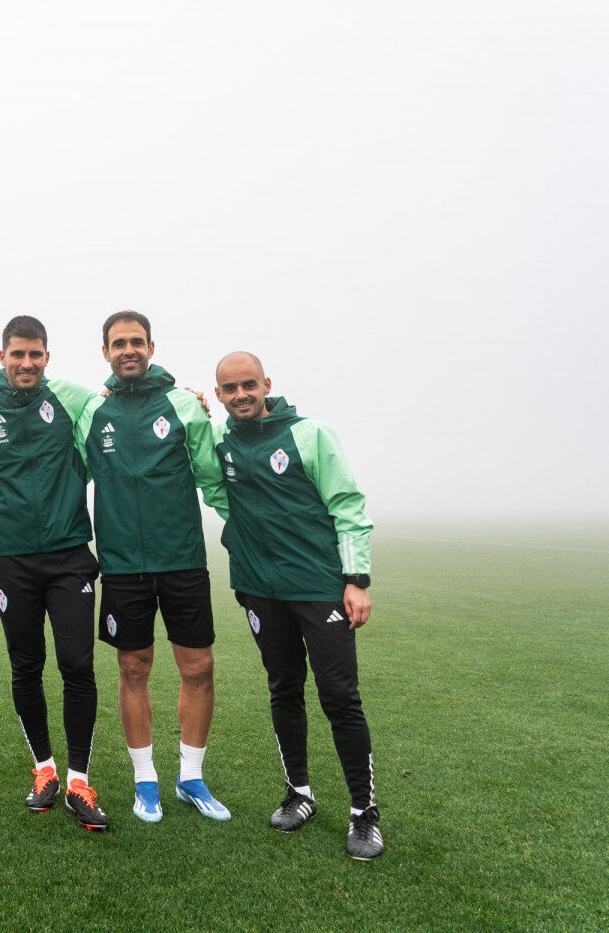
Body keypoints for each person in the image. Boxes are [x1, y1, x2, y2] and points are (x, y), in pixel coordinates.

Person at [212, 351, 382, 860]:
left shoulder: (310, 435)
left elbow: (347, 503)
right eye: (229, 388)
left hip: (319, 588)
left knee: (339, 697)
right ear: (218, 394)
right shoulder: (220, 442)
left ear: (266, 384)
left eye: (248, 384)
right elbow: (216, 491)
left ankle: (363, 812)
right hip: (260, 590)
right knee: (284, 688)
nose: (241, 394)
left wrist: (356, 579)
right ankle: (299, 793)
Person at [77, 311, 231, 825]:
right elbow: (58, 468)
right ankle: (147, 782)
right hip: (122, 564)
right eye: (118, 343)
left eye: (136, 342)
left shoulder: (185, 404)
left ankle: (191, 777)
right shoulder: (91, 414)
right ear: (105, 352)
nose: (129, 350)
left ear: (151, 346)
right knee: (132, 668)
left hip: (182, 558)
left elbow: (212, 478)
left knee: (199, 667)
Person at [0, 315, 108, 831]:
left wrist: (188, 397)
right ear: (2, 356)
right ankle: (44, 771)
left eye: (36, 354)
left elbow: (115, 419)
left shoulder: (71, 398)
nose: (26, 363)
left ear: (48, 356)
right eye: (17, 354)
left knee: (77, 664)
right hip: (13, 559)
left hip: (70, 554)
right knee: (26, 666)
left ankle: (78, 780)